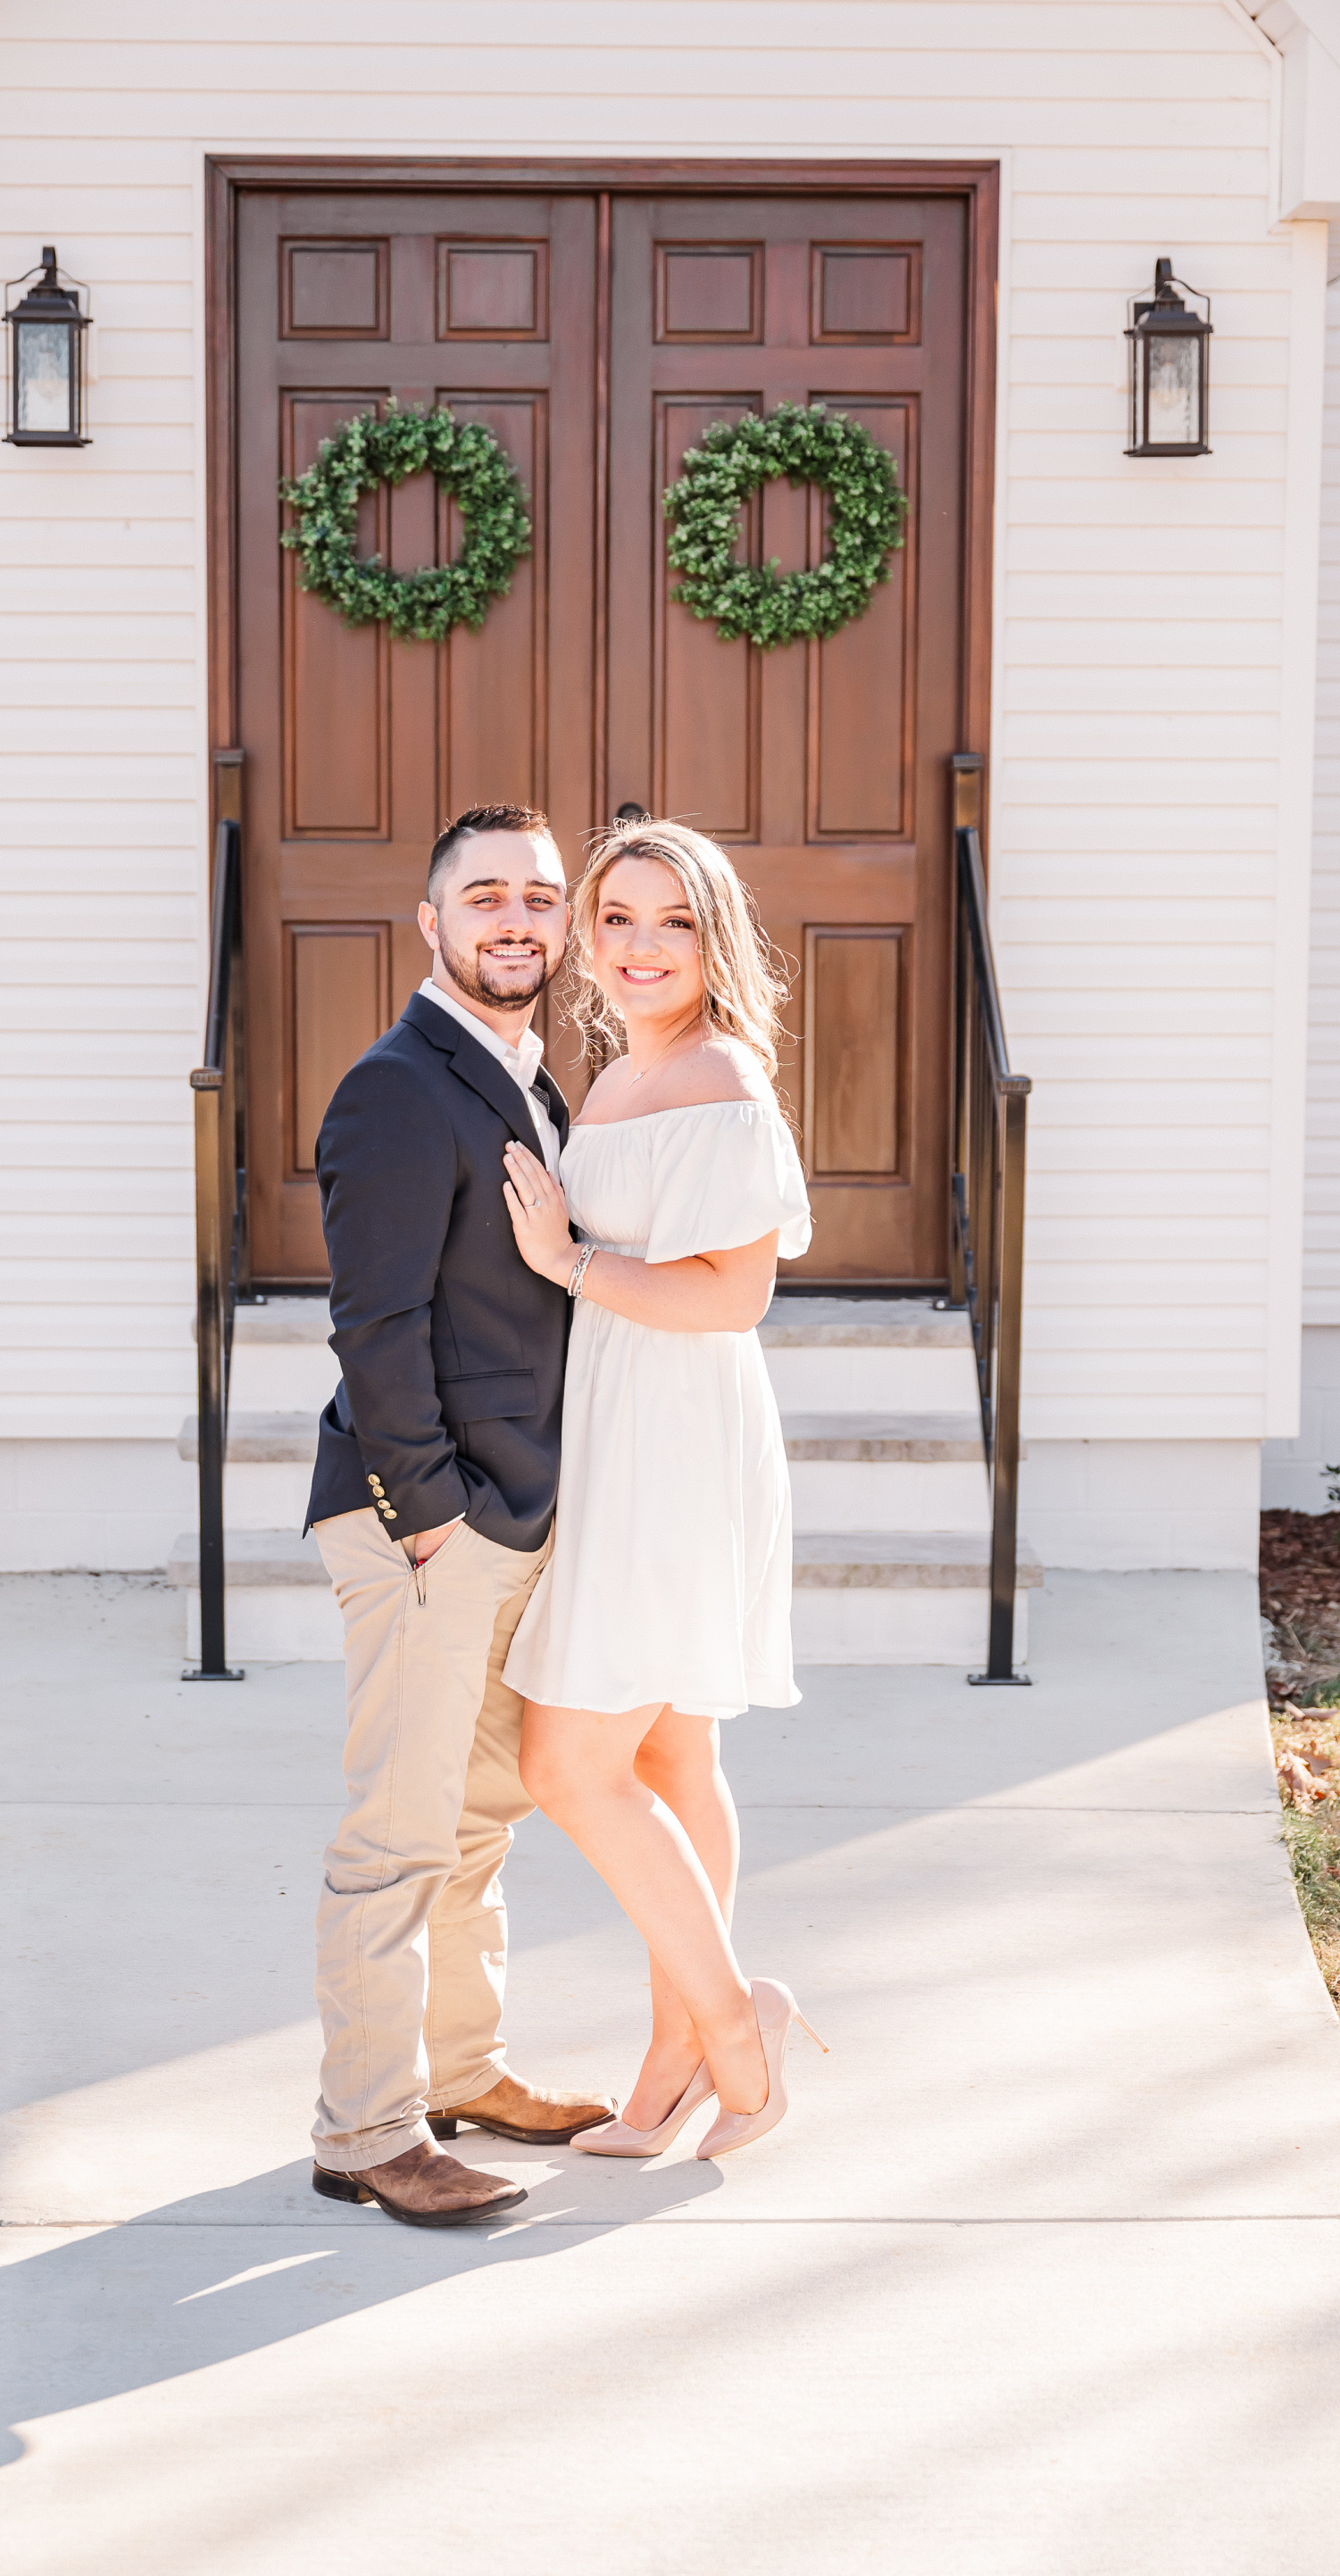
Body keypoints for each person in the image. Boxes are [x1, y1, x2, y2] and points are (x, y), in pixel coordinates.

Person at [304, 802, 616, 2229]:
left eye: (540, 897)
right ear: (430, 921)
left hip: (505, 1514)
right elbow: (373, 1326)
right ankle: (367, 2129)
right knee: (398, 1829)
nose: (517, 920)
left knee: (478, 1816)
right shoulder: (395, 1087)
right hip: (427, 1524)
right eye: (485, 895)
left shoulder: (528, 1079)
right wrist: (430, 1515)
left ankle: (461, 2070)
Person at [501, 816, 826, 2161]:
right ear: (588, 935)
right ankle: (672, 2054)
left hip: (678, 1438)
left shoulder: (719, 1078)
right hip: (622, 1420)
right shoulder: (622, 1075)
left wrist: (566, 1260)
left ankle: (740, 2035)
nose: (642, 945)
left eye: (673, 921)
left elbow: (734, 1294)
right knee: (668, 1753)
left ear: (714, 938)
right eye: (618, 917)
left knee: (567, 1761)